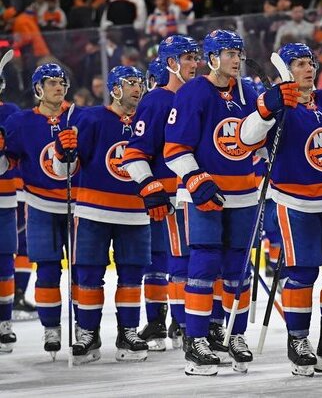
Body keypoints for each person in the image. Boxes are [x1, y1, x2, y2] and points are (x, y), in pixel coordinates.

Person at [237, 42, 322, 377]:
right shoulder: (277, 102)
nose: (308, 68)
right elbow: (245, 138)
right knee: (303, 273)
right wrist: (267, 108)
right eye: (298, 63)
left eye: (310, 62)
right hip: (295, 204)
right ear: (286, 70)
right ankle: (298, 341)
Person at [164, 30, 259, 376]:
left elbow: (262, 141)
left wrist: (264, 160)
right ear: (213, 58)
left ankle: (234, 333)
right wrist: (194, 178)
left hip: (245, 195)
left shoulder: (249, 92)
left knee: (238, 268)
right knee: (203, 265)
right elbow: (174, 148)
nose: (236, 59)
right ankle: (197, 339)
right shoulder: (193, 92)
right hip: (204, 193)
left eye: (239, 52)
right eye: (229, 53)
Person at [54, 66, 150, 365]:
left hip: (136, 212)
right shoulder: (92, 118)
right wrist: (61, 153)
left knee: (132, 276)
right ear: (115, 89)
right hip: (94, 210)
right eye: (130, 83)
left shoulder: (147, 121)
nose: (137, 88)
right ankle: (88, 333)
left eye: (139, 83)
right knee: (89, 274)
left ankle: (128, 332)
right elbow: (65, 172)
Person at [122, 36, 200, 353]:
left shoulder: (200, 96)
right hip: (171, 198)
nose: (195, 63)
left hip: (197, 194)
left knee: (194, 263)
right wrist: (150, 185)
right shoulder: (156, 101)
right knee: (169, 262)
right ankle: (176, 323)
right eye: (187, 57)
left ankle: (193, 323)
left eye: (196, 57)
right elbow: (137, 151)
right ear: (170, 64)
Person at [0, 63, 79, 360]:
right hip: (40, 205)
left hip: (76, 207)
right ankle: (51, 329)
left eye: (62, 82)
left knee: (82, 270)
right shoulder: (21, 122)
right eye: (51, 83)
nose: (58, 87)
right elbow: (4, 165)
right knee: (47, 268)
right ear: (37, 89)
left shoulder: (80, 117)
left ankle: (85, 329)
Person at [0, 72, 20, 352]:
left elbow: (12, 157)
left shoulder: (12, 113)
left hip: (4, 198)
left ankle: (4, 323)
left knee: (4, 264)